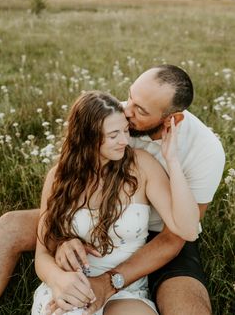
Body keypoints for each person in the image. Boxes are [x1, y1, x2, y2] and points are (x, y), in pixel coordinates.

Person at [0, 65, 225, 315]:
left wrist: (110, 282)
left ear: (170, 120)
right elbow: (48, 240)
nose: (127, 111)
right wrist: (61, 243)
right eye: (130, 97)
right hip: (88, 227)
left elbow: (182, 233)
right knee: (9, 226)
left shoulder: (203, 152)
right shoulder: (113, 117)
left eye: (139, 111)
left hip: (162, 235)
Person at [31, 90, 199, 315]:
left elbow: (187, 229)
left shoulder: (142, 165)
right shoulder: (58, 177)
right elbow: (42, 255)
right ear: (87, 137)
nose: (124, 140)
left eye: (125, 130)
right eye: (113, 135)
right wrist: (59, 279)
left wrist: (173, 160)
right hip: (72, 285)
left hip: (127, 289)